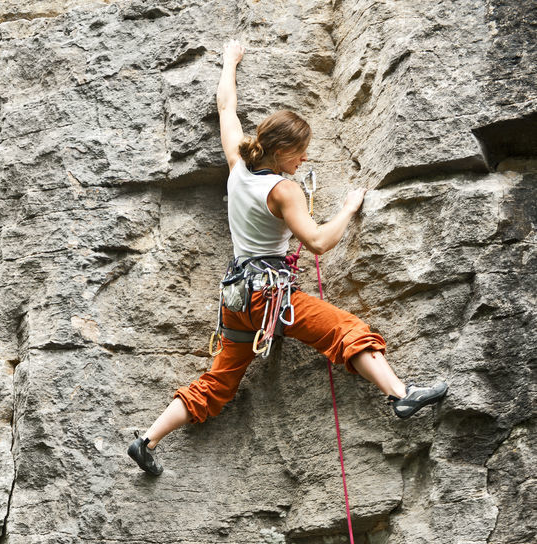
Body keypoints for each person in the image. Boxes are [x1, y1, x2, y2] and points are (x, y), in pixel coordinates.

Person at [128, 39, 448, 477]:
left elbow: (226, 108)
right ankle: (400, 393)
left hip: (236, 300)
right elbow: (316, 242)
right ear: (282, 153)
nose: (305, 158)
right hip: (269, 297)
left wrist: (229, 62)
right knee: (345, 330)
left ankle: (147, 440)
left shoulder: (238, 166)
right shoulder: (283, 190)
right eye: (301, 152)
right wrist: (349, 210)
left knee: (218, 382)